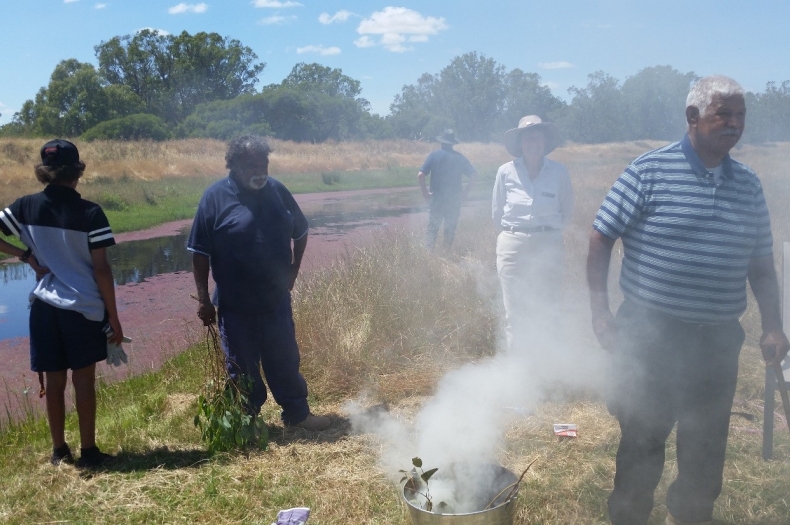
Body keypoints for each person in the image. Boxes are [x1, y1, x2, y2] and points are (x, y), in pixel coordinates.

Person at [586, 75, 790, 525]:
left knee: (705, 450)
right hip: (650, 336)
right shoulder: (648, 171)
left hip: (717, 342)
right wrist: (600, 312)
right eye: (724, 114)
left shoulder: (749, 185)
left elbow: (761, 263)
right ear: (692, 118)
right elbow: (601, 238)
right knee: (641, 443)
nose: (734, 123)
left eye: (740, 115)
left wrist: (773, 325)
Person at [188, 135, 330, 431]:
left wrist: (293, 270)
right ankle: (248, 422)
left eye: (263, 163)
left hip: (275, 298)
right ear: (234, 165)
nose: (260, 170)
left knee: (284, 358)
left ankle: (297, 415)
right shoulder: (214, 198)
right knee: (241, 367)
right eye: (251, 164)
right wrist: (203, 300)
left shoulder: (277, 190)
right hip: (234, 303)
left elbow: (301, 231)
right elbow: (200, 253)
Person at [0, 139, 123, 468]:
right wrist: (114, 316)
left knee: (53, 382)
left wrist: (24, 255)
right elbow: (101, 268)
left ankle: (58, 451)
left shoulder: (26, 206)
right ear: (77, 171)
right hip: (82, 308)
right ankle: (89, 452)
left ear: (44, 171)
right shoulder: (90, 212)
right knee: (83, 380)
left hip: (43, 307)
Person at [492, 115, 573, 352]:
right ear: (520, 143)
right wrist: (519, 234)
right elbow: (497, 214)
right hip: (512, 245)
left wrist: (544, 233)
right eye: (528, 138)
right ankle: (517, 370)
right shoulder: (505, 172)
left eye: (537, 138)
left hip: (549, 244)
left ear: (545, 142)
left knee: (548, 304)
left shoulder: (559, 172)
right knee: (514, 310)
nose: (533, 143)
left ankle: (545, 364)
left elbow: (566, 212)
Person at [418, 129, 477, 250]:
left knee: (432, 230)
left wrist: (425, 193)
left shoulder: (434, 155)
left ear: (441, 142)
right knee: (449, 230)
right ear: (452, 143)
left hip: (437, 200)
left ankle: (428, 256)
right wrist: (465, 193)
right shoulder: (460, 158)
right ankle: (446, 256)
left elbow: (420, 175)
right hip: (454, 200)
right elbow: (474, 174)